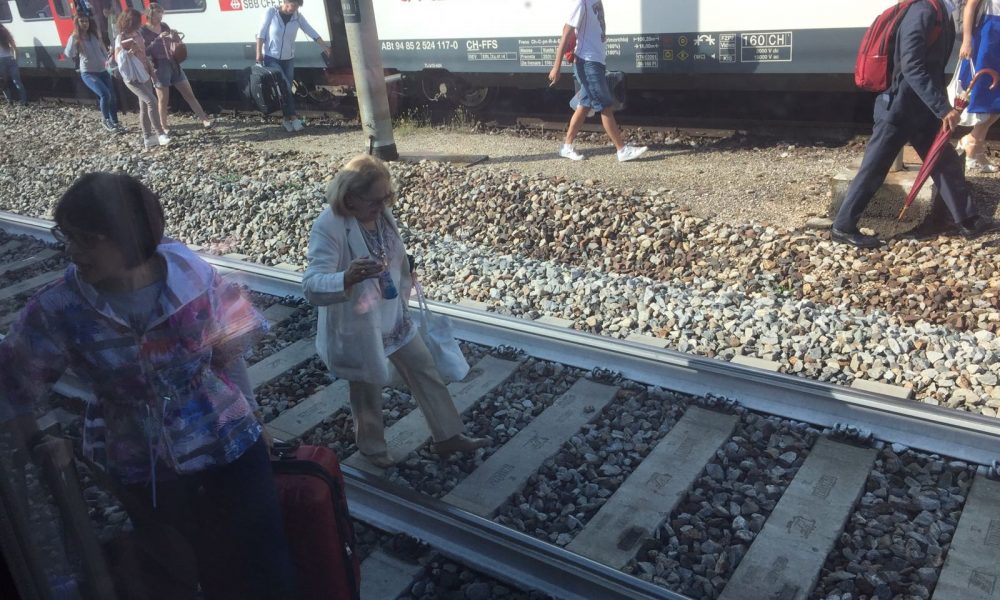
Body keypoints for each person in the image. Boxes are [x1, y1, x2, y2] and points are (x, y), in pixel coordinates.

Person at [0, 173, 297, 600]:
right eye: (67, 237)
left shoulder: (194, 278)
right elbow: (10, 382)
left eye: (87, 238)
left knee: (264, 561)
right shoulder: (60, 307)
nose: (72, 251)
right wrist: (37, 443)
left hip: (230, 441)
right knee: (183, 571)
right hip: (142, 463)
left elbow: (229, 350)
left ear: (128, 236)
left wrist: (254, 414)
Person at [303, 155, 489, 469]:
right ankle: (372, 449)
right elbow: (311, 285)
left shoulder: (379, 212)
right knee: (366, 390)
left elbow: (392, 252)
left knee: (424, 367)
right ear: (351, 198)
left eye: (388, 196)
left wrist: (406, 270)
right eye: (377, 199)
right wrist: (346, 277)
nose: (385, 204)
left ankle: (448, 435)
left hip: (393, 316)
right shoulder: (329, 225)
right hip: (358, 325)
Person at [831, 0, 1000, 248]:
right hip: (899, 109)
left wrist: (938, 106)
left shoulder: (938, 11)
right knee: (874, 168)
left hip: (920, 108)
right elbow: (911, 66)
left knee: (944, 160)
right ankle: (843, 227)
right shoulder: (923, 11)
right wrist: (943, 108)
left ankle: (967, 220)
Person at [548, 0, 647, 163]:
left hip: (595, 61)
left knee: (584, 105)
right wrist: (556, 66)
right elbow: (566, 32)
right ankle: (622, 150)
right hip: (587, 62)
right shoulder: (581, 2)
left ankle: (566, 147)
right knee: (604, 105)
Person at [255, 0, 331, 132]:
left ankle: (285, 119)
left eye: (297, 6)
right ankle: (294, 117)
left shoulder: (297, 17)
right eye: (293, 5)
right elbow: (261, 33)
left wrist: (325, 47)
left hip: (288, 58)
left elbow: (310, 30)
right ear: (285, 1)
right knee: (284, 85)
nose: (294, 9)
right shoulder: (271, 13)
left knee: (286, 90)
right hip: (271, 57)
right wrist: (258, 54)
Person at [141, 3, 212, 134]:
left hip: (173, 62)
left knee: (188, 93)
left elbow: (172, 42)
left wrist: (174, 36)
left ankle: (204, 119)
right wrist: (157, 39)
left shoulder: (164, 26)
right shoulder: (143, 31)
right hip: (158, 66)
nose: (160, 16)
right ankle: (164, 126)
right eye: (158, 13)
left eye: (161, 13)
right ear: (150, 14)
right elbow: (144, 51)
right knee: (163, 99)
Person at [116, 9, 171, 150]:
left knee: (144, 107)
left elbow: (144, 55)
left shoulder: (138, 34)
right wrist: (128, 53)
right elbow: (118, 58)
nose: (139, 23)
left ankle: (147, 138)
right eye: (136, 20)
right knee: (152, 101)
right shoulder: (121, 37)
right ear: (129, 21)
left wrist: (152, 73)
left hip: (144, 73)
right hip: (132, 77)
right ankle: (160, 134)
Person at [955, 0, 1000, 171]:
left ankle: (973, 143)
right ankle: (975, 149)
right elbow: (970, 7)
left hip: (995, 36)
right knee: (987, 97)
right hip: (989, 37)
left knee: (995, 100)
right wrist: (967, 40)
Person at [65, 15, 123, 133]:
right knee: (105, 94)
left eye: (86, 21)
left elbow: (101, 50)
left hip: (103, 71)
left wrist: (108, 56)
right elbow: (69, 54)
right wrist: (73, 38)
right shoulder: (75, 37)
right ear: (77, 23)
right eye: (82, 21)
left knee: (112, 98)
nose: (85, 23)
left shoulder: (93, 35)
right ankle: (105, 120)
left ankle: (115, 123)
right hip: (89, 73)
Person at [0, 23, 28, 106]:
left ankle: (9, 101)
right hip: (11, 59)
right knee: (17, 82)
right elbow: (15, 49)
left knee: (3, 82)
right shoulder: (6, 35)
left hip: (1, 61)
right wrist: (15, 60)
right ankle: (24, 101)